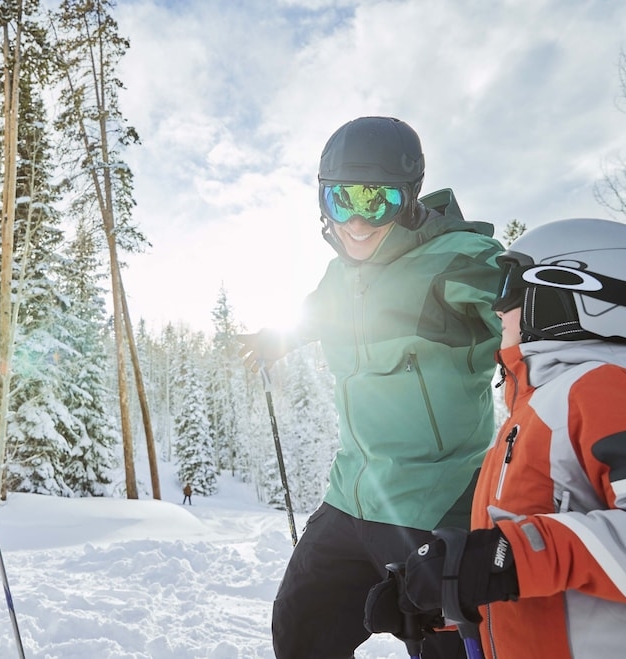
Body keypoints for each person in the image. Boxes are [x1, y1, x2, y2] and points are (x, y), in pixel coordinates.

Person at [237, 116, 503, 659]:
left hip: (435, 504)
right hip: (349, 498)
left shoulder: (456, 259)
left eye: (375, 202)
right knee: (300, 627)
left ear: (408, 199)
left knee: (444, 649)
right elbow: (313, 316)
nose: (356, 222)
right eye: (342, 202)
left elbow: (522, 293)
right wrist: (275, 340)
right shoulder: (341, 276)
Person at [364, 218, 626, 658]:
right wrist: (447, 594)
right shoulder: (537, 408)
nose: (498, 308)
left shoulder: (607, 386)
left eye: (511, 288)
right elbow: (538, 573)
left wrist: (504, 559)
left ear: (577, 289)